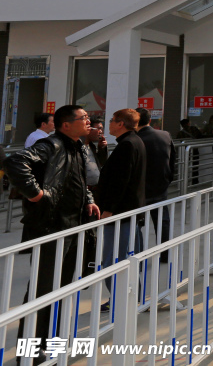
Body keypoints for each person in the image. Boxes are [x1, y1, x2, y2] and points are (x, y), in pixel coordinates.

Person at [4, 105, 100, 348]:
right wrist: (37, 195)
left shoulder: (77, 146)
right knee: (43, 290)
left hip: (71, 226)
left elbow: (77, 179)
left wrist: (88, 201)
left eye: (88, 117)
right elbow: (15, 162)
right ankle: (32, 352)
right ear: (65, 125)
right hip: (50, 228)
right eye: (83, 118)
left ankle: (51, 346)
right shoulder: (52, 145)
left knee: (62, 288)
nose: (88, 122)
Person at [96, 108, 148, 305]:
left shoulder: (127, 145)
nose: (109, 123)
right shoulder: (134, 141)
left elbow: (120, 181)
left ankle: (121, 298)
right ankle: (133, 296)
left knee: (114, 259)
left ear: (120, 123)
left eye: (112, 120)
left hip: (121, 212)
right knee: (126, 256)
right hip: (128, 210)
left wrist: (109, 208)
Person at [136, 107, 175, 258]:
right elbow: (172, 160)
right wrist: (168, 178)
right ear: (150, 120)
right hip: (161, 185)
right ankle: (165, 253)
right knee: (162, 220)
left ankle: (137, 253)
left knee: (138, 222)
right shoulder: (164, 135)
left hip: (140, 187)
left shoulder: (134, 138)